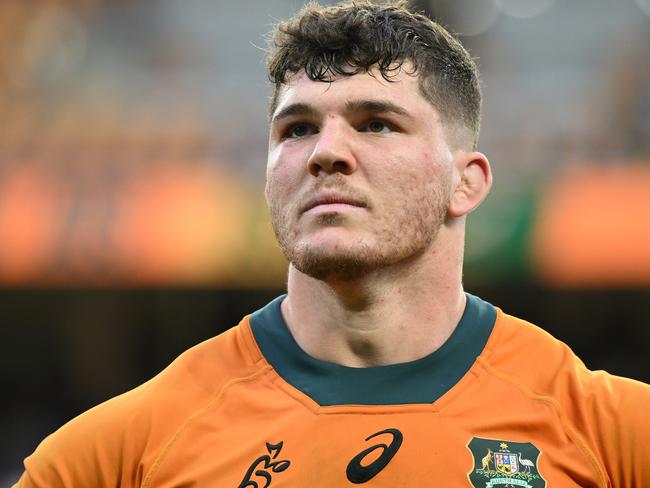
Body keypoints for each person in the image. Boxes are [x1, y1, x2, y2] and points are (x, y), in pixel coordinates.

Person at [14, 1, 650, 487]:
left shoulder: (612, 434)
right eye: (296, 129)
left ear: (466, 182)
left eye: (376, 123)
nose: (325, 153)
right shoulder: (114, 456)